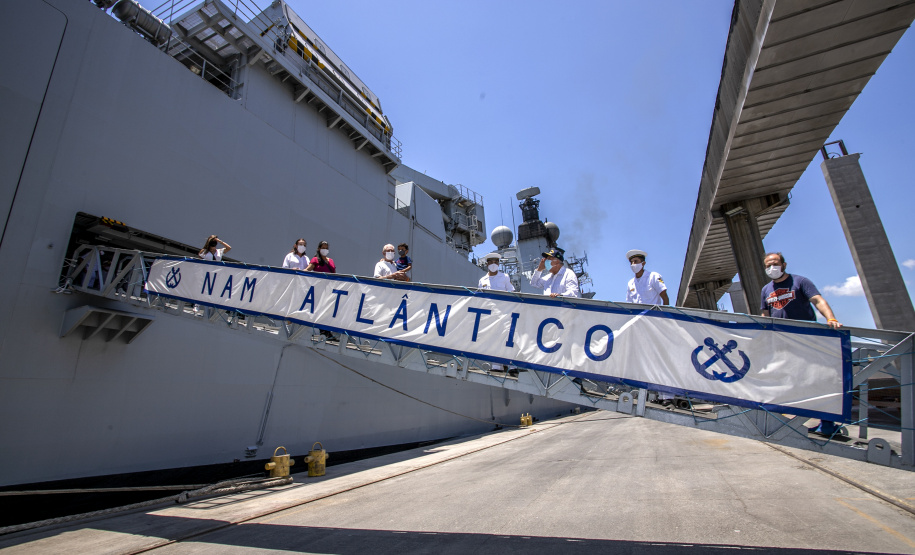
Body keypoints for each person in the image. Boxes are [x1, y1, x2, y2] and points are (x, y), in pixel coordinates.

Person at [760, 251, 844, 436]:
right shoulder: (766, 290)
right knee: (783, 379)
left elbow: (817, 300)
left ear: (784, 264)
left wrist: (830, 318)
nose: (771, 267)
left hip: (807, 339)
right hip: (782, 343)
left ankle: (827, 424)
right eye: (768, 265)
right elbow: (765, 314)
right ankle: (780, 419)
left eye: (775, 263)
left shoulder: (800, 282)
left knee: (816, 379)